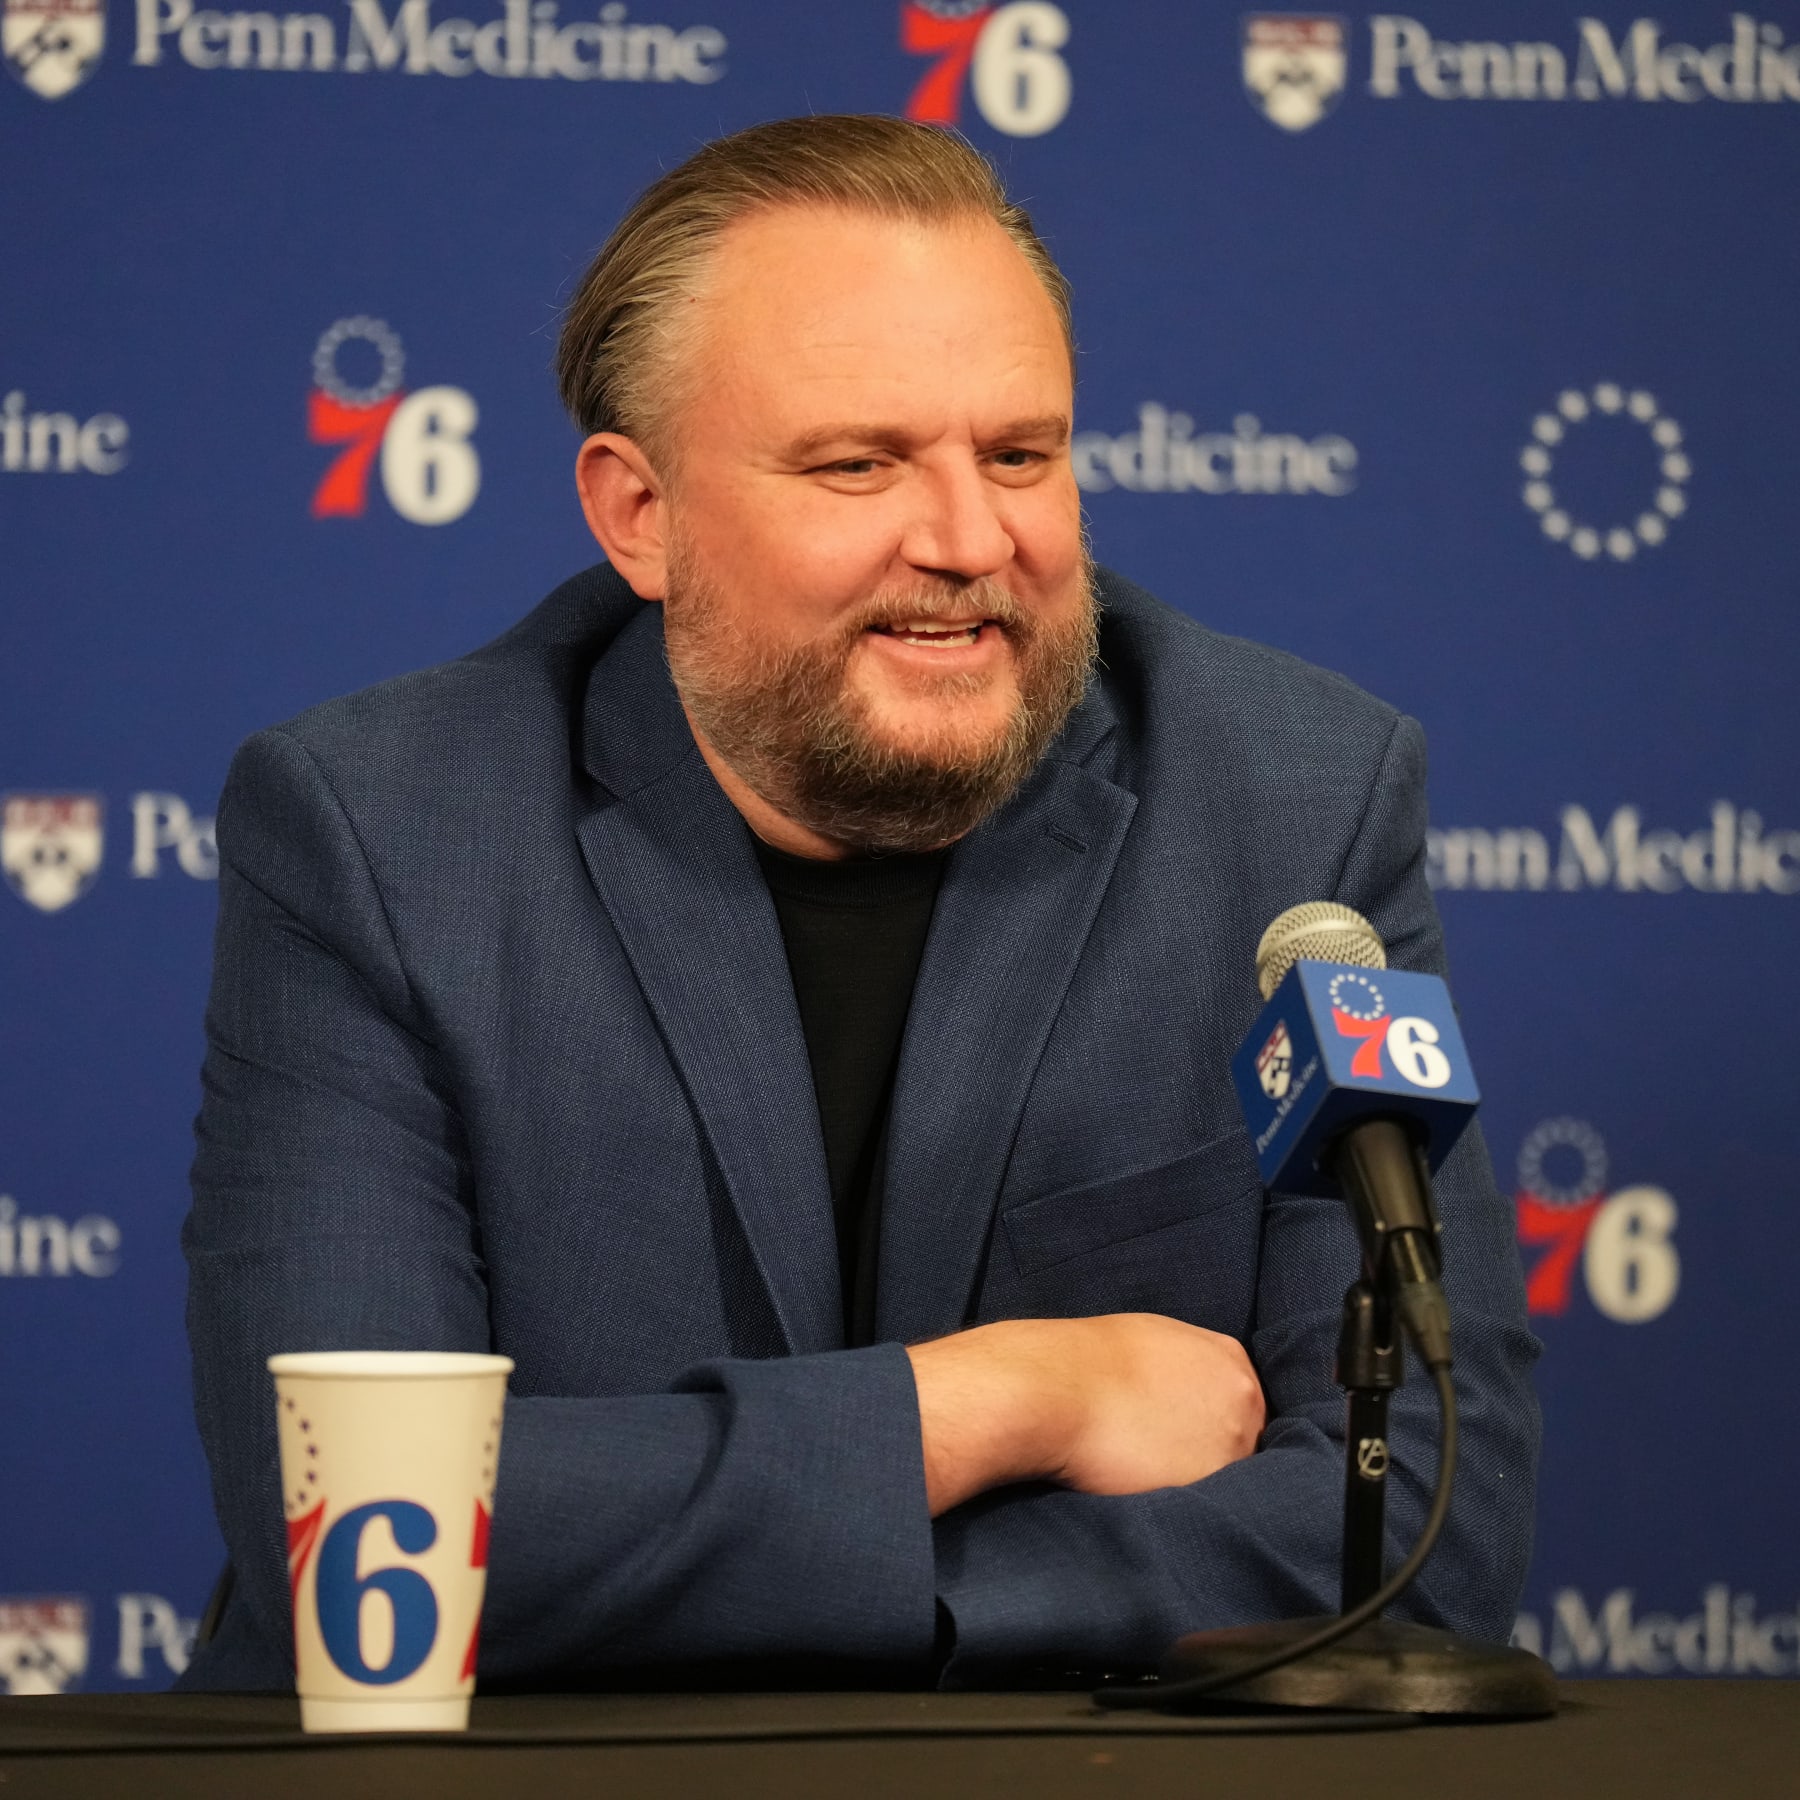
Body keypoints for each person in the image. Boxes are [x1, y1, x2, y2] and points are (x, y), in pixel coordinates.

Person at [180, 115, 1539, 1692]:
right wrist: (1004, 1398)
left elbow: (1430, 1525)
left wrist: (875, 1587)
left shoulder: (1295, 803)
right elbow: (361, 1541)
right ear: (640, 517)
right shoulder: (382, 834)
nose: (971, 542)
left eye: (1020, 454)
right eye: (858, 464)